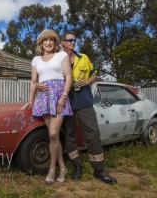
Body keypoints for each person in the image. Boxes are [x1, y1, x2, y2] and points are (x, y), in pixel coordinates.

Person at [38, 31, 117, 185]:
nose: (73, 42)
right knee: (69, 135)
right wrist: (40, 85)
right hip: (65, 101)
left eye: (74, 40)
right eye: (70, 40)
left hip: (84, 100)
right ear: (63, 42)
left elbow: (95, 75)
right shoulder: (56, 58)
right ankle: (77, 167)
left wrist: (87, 81)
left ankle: (99, 170)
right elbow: (45, 74)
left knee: (92, 133)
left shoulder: (84, 58)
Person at [20, 29, 73, 185]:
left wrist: (63, 97)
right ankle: (62, 168)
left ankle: (51, 169)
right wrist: (31, 99)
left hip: (58, 96)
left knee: (53, 133)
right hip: (43, 97)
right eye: (45, 40)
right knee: (54, 136)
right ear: (41, 43)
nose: (48, 43)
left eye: (51, 40)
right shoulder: (36, 60)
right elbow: (34, 81)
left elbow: (68, 77)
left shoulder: (61, 55)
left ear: (55, 42)